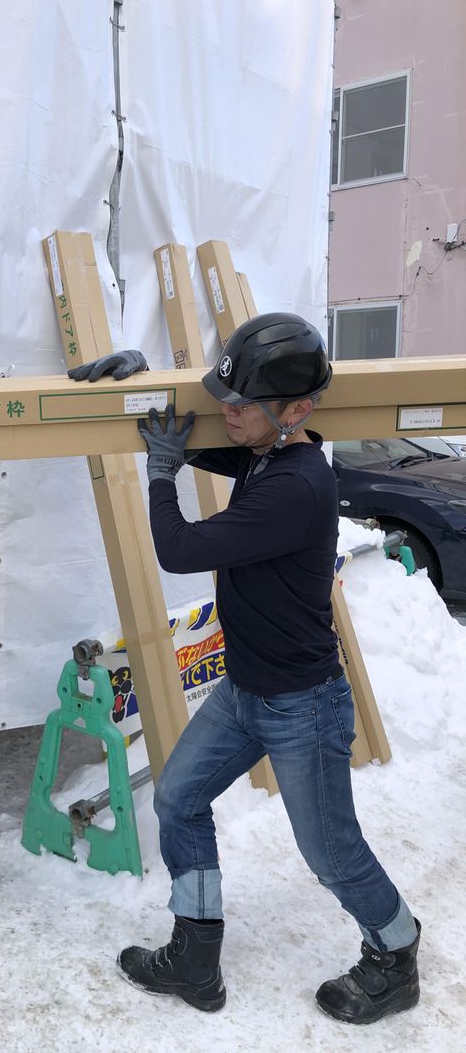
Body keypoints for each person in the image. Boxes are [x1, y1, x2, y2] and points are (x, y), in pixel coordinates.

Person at [69, 313, 421, 1024]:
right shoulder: (270, 451)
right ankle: (197, 958)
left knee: (329, 849)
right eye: (225, 401)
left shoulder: (295, 487)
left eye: (241, 406)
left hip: (304, 704)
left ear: (296, 410)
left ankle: (396, 952)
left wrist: (159, 471)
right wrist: (142, 390)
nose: (226, 415)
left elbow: (178, 547)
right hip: (248, 690)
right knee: (179, 796)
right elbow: (214, 442)